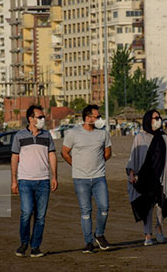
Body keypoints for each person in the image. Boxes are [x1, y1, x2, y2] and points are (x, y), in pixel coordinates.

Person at [62, 104, 112, 253]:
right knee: (86, 210)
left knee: (104, 207)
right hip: (80, 178)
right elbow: (64, 152)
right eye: (97, 116)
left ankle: (99, 233)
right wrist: (76, 165)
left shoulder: (103, 134)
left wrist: (97, 163)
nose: (99, 119)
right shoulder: (73, 133)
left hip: (99, 177)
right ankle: (88, 242)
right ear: (88, 118)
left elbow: (108, 153)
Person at [126, 110, 167, 246]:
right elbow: (134, 157)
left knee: (161, 204)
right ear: (148, 120)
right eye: (155, 118)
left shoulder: (164, 137)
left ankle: (159, 227)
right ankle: (147, 234)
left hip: (161, 177)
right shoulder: (140, 137)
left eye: (159, 118)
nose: (158, 120)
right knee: (147, 206)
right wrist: (131, 173)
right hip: (145, 177)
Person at [11, 105, 58, 258]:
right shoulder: (19, 136)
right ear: (31, 118)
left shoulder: (47, 136)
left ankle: (35, 247)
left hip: (43, 180)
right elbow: (14, 158)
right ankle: (24, 242)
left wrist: (54, 176)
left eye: (43, 117)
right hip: (25, 180)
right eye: (39, 117)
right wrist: (14, 180)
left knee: (40, 216)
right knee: (26, 212)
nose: (42, 120)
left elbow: (52, 155)